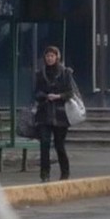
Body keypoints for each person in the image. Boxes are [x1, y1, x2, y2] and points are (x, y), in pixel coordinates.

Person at [32, 45, 75, 182]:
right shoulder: (40, 73)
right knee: (44, 144)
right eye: (47, 56)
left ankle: (65, 172)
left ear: (57, 57)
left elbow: (70, 93)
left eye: (52, 56)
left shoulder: (65, 72)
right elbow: (36, 93)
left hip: (60, 115)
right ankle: (44, 174)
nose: (50, 58)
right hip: (44, 114)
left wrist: (58, 96)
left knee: (59, 144)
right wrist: (45, 96)